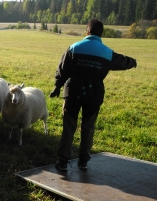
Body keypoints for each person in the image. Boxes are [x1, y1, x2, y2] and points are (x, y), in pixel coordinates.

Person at [50, 19, 137, 171]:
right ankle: (83, 161)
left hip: (73, 93)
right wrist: (133, 62)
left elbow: (62, 69)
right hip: (94, 95)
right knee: (88, 128)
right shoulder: (107, 53)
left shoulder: (74, 48)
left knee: (69, 127)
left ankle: (62, 162)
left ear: (87, 31)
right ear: (101, 33)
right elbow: (123, 62)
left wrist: (57, 87)